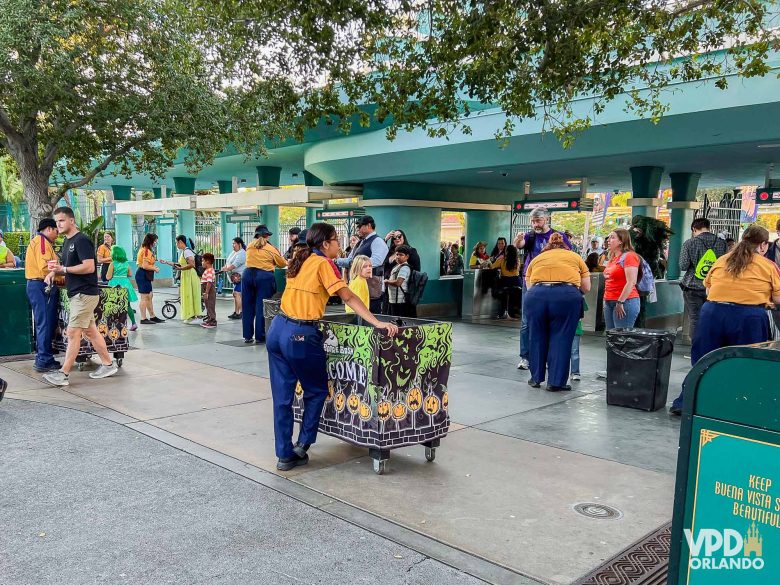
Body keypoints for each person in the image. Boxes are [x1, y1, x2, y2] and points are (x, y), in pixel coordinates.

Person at [267, 222, 398, 471]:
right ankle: (302, 445)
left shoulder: (300, 258)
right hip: (300, 334)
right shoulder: (323, 263)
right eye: (336, 239)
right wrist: (377, 322)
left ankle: (284, 454)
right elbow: (347, 296)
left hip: (277, 330)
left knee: (282, 398)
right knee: (316, 391)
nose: (339, 244)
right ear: (325, 244)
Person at [670, 225, 780, 415]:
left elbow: (708, 289)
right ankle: (738, 406)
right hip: (749, 318)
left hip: (713, 314)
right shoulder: (768, 266)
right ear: (763, 245)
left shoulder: (722, 260)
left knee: (704, 360)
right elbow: (778, 298)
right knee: (746, 363)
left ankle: (687, 403)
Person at [42, 206, 119, 387]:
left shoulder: (81, 240)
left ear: (71, 221)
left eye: (61, 220)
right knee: (91, 332)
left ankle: (63, 374)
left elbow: (89, 267)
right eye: (57, 221)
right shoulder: (68, 242)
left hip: (84, 294)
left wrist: (64, 270)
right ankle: (108, 364)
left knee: (73, 332)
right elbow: (70, 269)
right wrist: (55, 273)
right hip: (79, 294)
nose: (58, 224)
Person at [524, 233, 590, 391]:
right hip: (566, 296)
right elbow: (586, 287)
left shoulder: (538, 258)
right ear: (566, 245)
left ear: (548, 245)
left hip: (536, 296)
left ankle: (536, 378)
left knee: (536, 336)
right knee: (561, 338)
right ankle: (555, 382)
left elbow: (528, 284)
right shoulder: (575, 257)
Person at [514, 207, 571, 370]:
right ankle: (525, 357)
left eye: (538, 220)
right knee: (526, 321)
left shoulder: (558, 237)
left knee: (548, 320)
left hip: (551, 282)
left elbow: (568, 254)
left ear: (546, 219)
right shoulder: (529, 236)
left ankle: (545, 356)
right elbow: (520, 244)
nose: (535, 224)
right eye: (532, 221)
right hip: (531, 281)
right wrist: (518, 241)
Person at [679, 217, 728, 341]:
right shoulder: (722, 243)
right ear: (708, 227)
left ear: (694, 229)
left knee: (695, 318)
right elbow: (725, 266)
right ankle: (711, 346)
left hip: (692, 286)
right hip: (714, 287)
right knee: (712, 317)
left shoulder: (689, 243)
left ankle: (696, 346)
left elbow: (683, 265)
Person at [25, 218, 61, 372]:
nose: (57, 235)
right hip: (41, 285)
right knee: (44, 323)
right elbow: (46, 267)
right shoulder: (42, 242)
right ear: (48, 229)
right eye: (56, 231)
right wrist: (63, 276)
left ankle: (43, 356)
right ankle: (44, 359)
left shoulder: (42, 242)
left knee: (44, 322)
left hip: (38, 285)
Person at [242, 225, 286, 343]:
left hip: (247, 275)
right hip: (264, 277)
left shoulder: (249, 246)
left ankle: (247, 336)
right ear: (267, 236)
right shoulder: (271, 248)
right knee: (262, 306)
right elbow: (282, 264)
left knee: (247, 306)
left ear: (255, 235)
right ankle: (260, 336)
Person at [335, 216, 389, 313]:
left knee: (370, 314)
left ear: (368, 226)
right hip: (357, 284)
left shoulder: (377, 241)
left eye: (359, 226)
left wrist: (358, 264)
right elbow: (350, 260)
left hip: (371, 286)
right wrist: (336, 261)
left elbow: (377, 261)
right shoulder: (360, 242)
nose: (357, 229)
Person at [602, 229, 641, 329]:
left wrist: (620, 302)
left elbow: (631, 281)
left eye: (612, 237)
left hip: (625, 301)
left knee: (621, 338)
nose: (608, 240)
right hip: (609, 300)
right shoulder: (613, 257)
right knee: (611, 337)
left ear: (621, 241)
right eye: (608, 237)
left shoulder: (630, 256)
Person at [161, 235, 202, 324]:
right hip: (187, 275)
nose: (176, 245)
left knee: (193, 295)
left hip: (190, 275)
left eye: (177, 242)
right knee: (188, 295)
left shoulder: (187, 251)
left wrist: (180, 269)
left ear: (181, 242)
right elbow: (180, 264)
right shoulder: (184, 252)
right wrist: (167, 262)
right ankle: (191, 315)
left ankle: (198, 316)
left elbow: (191, 264)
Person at [106, 245, 139, 332]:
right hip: (125, 284)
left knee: (113, 305)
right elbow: (130, 274)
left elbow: (108, 277)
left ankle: (113, 324)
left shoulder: (112, 264)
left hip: (115, 284)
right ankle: (134, 323)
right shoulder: (126, 264)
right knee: (127, 305)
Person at [135, 233, 164, 324]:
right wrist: (155, 268)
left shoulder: (145, 250)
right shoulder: (146, 251)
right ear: (151, 241)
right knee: (144, 297)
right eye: (155, 241)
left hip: (145, 275)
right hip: (143, 274)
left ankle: (152, 316)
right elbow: (145, 265)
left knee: (150, 296)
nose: (156, 242)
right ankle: (143, 318)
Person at [491, 244, 521, 319]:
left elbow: (492, 267)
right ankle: (513, 312)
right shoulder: (517, 260)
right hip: (517, 281)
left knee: (503, 294)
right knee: (513, 294)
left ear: (506, 251)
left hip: (506, 281)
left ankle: (502, 312)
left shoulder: (502, 259)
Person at [385, 245, 415, 317]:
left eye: (401, 255)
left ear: (407, 256)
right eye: (397, 254)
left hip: (400, 301)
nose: (398, 256)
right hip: (394, 300)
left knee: (399, 321)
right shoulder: (398, 266)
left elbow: (398, 283)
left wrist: (387, 281)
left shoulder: (404, 268)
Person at [221, 237, 246, 320]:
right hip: (234, 278)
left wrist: (227, 269)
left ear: (239, 244)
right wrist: (224, 267)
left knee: (237, 294)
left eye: (234, 243)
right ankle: (236, 312)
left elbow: (235, 264)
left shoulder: (242, 253)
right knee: (235, 295)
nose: (233, 245)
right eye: (232, 243)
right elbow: (228, 262)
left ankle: (240, 312)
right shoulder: (233, 252)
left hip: (240, 277)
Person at [570, 300, 588, 382]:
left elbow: (583, 311)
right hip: (573, 328)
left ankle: (575, 372)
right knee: (574, 352)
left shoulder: (579, 298)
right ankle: (575, 372)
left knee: (574, 351)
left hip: (575, 329)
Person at [200, 253, 217, 329]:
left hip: (209, 290)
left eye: (203, 261)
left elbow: (209, 282)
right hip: (206, 289)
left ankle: (213, 321)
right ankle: (210, 319)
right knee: (207, 305)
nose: (202, 262)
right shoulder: (207, 270)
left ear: (208, 261)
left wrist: (206, 292)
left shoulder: (209, 270)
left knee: (210, 305)